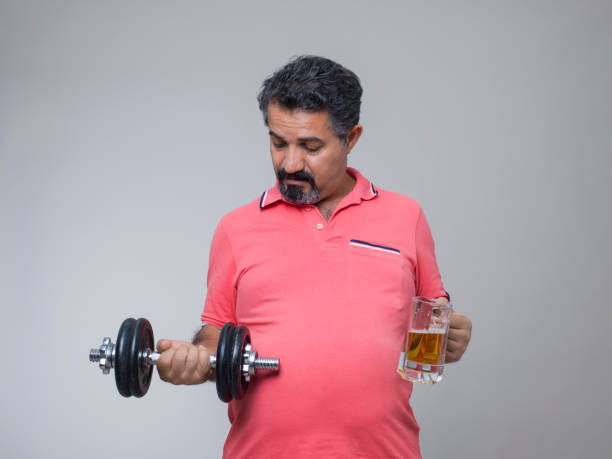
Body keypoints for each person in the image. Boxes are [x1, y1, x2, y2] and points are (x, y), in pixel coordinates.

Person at [156, 55, 472, 458]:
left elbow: (430, 332)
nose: (289, 163)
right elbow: (216, 333)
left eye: (310, 146)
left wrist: (451, 339)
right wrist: (194, 359)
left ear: (351, 138)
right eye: (278, 142)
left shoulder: (406, 217)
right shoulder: (235, 229)